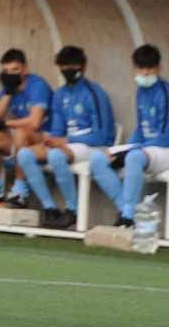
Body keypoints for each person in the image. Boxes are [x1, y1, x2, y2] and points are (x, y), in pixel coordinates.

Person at [15, 46, 115, 229]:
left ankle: (72, 210)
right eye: (63, 66)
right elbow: (58, 131)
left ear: (82, 67)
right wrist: (51, 140)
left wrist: (65, 142)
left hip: (94, 146)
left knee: (56, 155)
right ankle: (50, 208)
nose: (67, 71)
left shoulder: (94, 93)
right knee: (24, 155)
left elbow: (102, 136)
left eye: (72, 66)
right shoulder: (60, 94)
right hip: (69, 145)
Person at [89, 44, 169, 226]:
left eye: (150, 69)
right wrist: (123, 148)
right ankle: (126, 210)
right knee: (98, 159)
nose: (145, 74)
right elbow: (141, 128)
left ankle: (127, 216)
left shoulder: (165, 92)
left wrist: (131, 150)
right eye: (142, 69)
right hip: (146, 149)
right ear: (135, 68)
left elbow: (165, 137)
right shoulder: (141, 91)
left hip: (164, 149)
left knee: (133, 157)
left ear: (158, 68)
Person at [0, 48, 53, 207]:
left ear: (25, 69)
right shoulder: (9, 87)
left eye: (15, 70)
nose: (10, 74)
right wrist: (8, 93)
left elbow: (35, 122)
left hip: (47, 140)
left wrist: (5, 124)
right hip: (23, 140)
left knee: (21, 132)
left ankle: (19, 192)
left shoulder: (37, 85)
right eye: (6, 71)